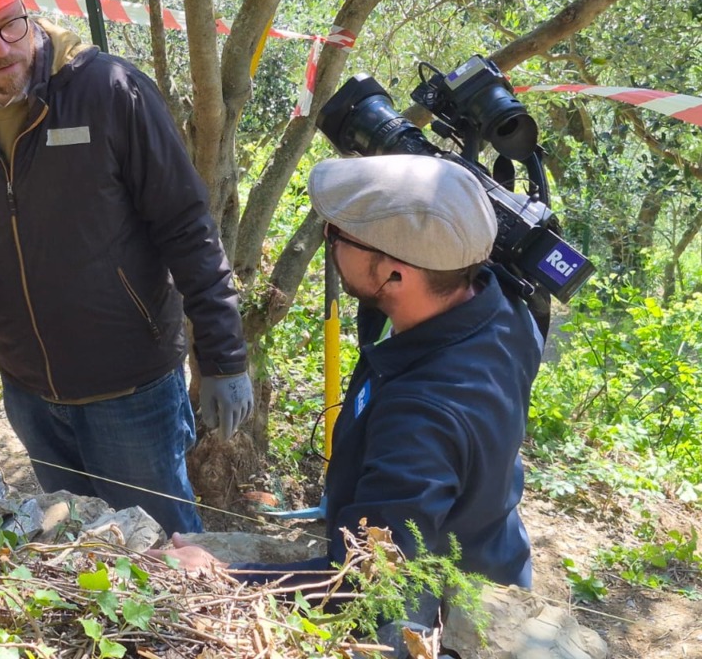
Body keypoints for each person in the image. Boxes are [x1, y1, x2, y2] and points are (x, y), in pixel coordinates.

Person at [0, 0, 253, 534]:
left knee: (163, 559)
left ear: (25, 3)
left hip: (130, 387)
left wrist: (222, 356)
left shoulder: (109, 92)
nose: (3, 46)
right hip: (28, 384)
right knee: (80, 547)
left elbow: (187, 227)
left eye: (11, 22)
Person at [151, 153, 544, 590]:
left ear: (397, 274)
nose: (328, 239)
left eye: (339, 235)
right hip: (492, 546)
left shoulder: (420, 420)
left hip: (442, 608)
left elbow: (364, 582)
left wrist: (221, 576)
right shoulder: (499, 304)